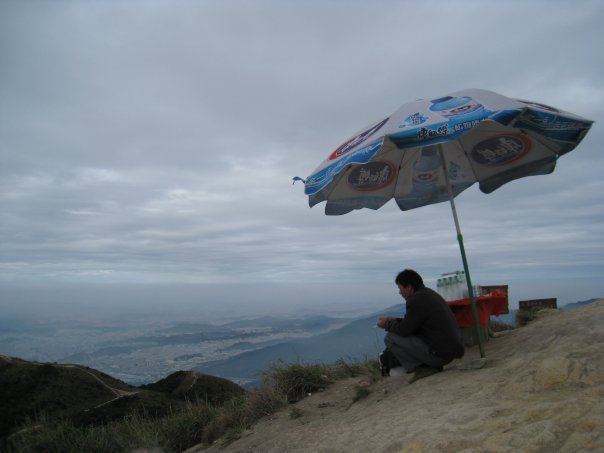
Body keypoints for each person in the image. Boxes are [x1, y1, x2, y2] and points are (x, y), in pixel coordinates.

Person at [377, 269, 464, 383]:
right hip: (448, 353)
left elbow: (404, 330)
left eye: (400, 288)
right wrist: (395, 320)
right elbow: (414, 323)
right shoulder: (429, 294)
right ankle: (428, 365)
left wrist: (387, 324)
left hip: (439, 356)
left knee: (390, 338)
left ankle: (422, 368)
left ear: (409, 287)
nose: (400, 292)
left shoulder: (416, 300)